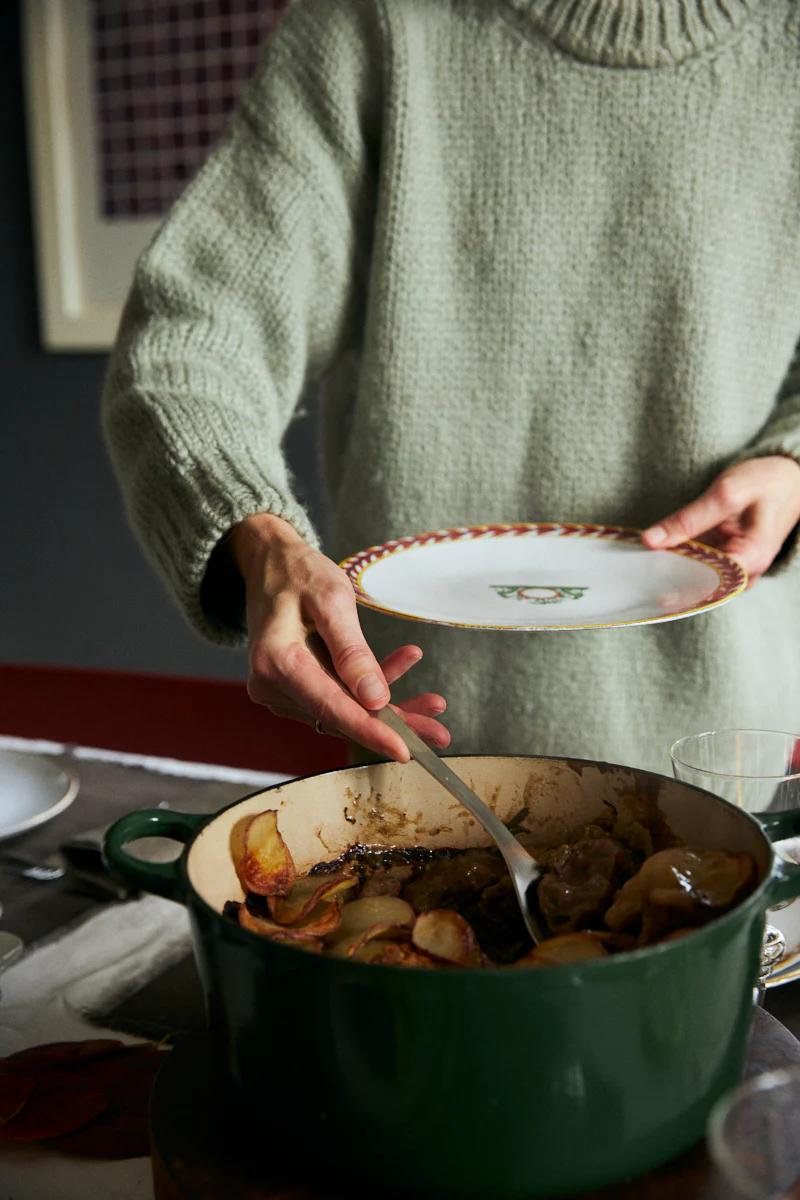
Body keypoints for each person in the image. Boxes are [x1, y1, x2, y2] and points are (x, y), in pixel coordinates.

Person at [103, 0, 800, 775]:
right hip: (421, 747)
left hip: (726, 750)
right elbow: (187, 345)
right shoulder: (373, 28)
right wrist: (262, 543)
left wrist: (792, 461)